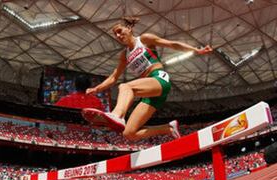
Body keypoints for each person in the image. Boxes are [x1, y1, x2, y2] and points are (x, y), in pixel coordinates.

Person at [83, 17, 212, 141]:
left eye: (119, 31)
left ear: (129, 28)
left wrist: (196, 50)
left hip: (159, 79)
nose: (118, 36)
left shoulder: (144, 39)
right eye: (115, 34)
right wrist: (96, 89)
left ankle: (117, 115)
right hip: (149, 92)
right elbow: (113, 77)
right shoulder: (124, 55)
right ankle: (168, 128)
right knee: (129, 133)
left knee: (125, 86)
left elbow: (172, 44)